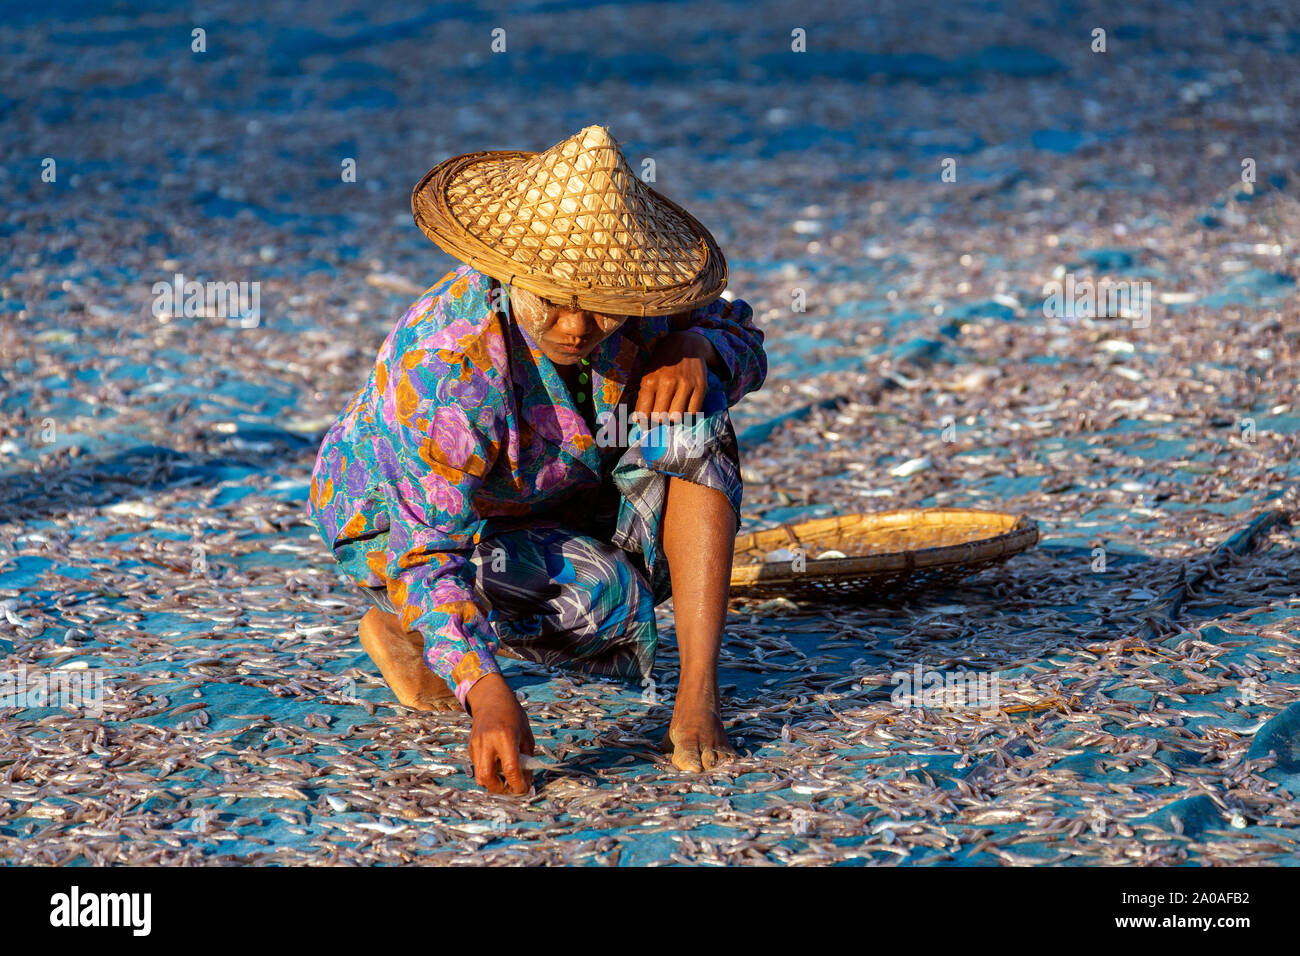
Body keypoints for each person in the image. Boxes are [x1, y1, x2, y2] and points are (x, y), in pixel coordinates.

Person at [308, 126, 767, 793]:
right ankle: (404, 627)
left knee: (696, 416)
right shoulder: (447, 373)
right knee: (599, 603)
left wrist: (698, 348)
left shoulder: (637, 295)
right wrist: (486, 692)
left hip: (555, 488)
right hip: (413, 531)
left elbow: (744, 335)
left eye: (600, 304)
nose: (577, 327)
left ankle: (698, 695)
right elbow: (427, 552)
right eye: (553, 298)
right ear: (509, 269)